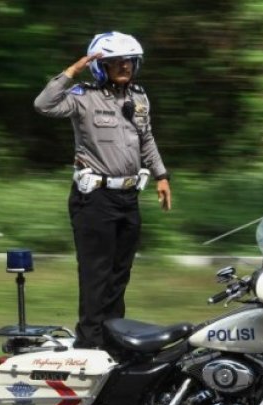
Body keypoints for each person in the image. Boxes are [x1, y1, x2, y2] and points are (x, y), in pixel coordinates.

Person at [34, 31, 171, 349]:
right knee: (96, 275)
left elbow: (146, 140)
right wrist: (72, 71)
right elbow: (43, 104)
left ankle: (114, 339)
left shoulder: (138, 97)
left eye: (130, 61)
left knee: (119, 274)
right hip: (94, 198)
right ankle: (89, 343)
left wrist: (161, 175)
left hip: (128, 197)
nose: (125, 67)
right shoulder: (83, 96)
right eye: (116, 62)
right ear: (101, 66)